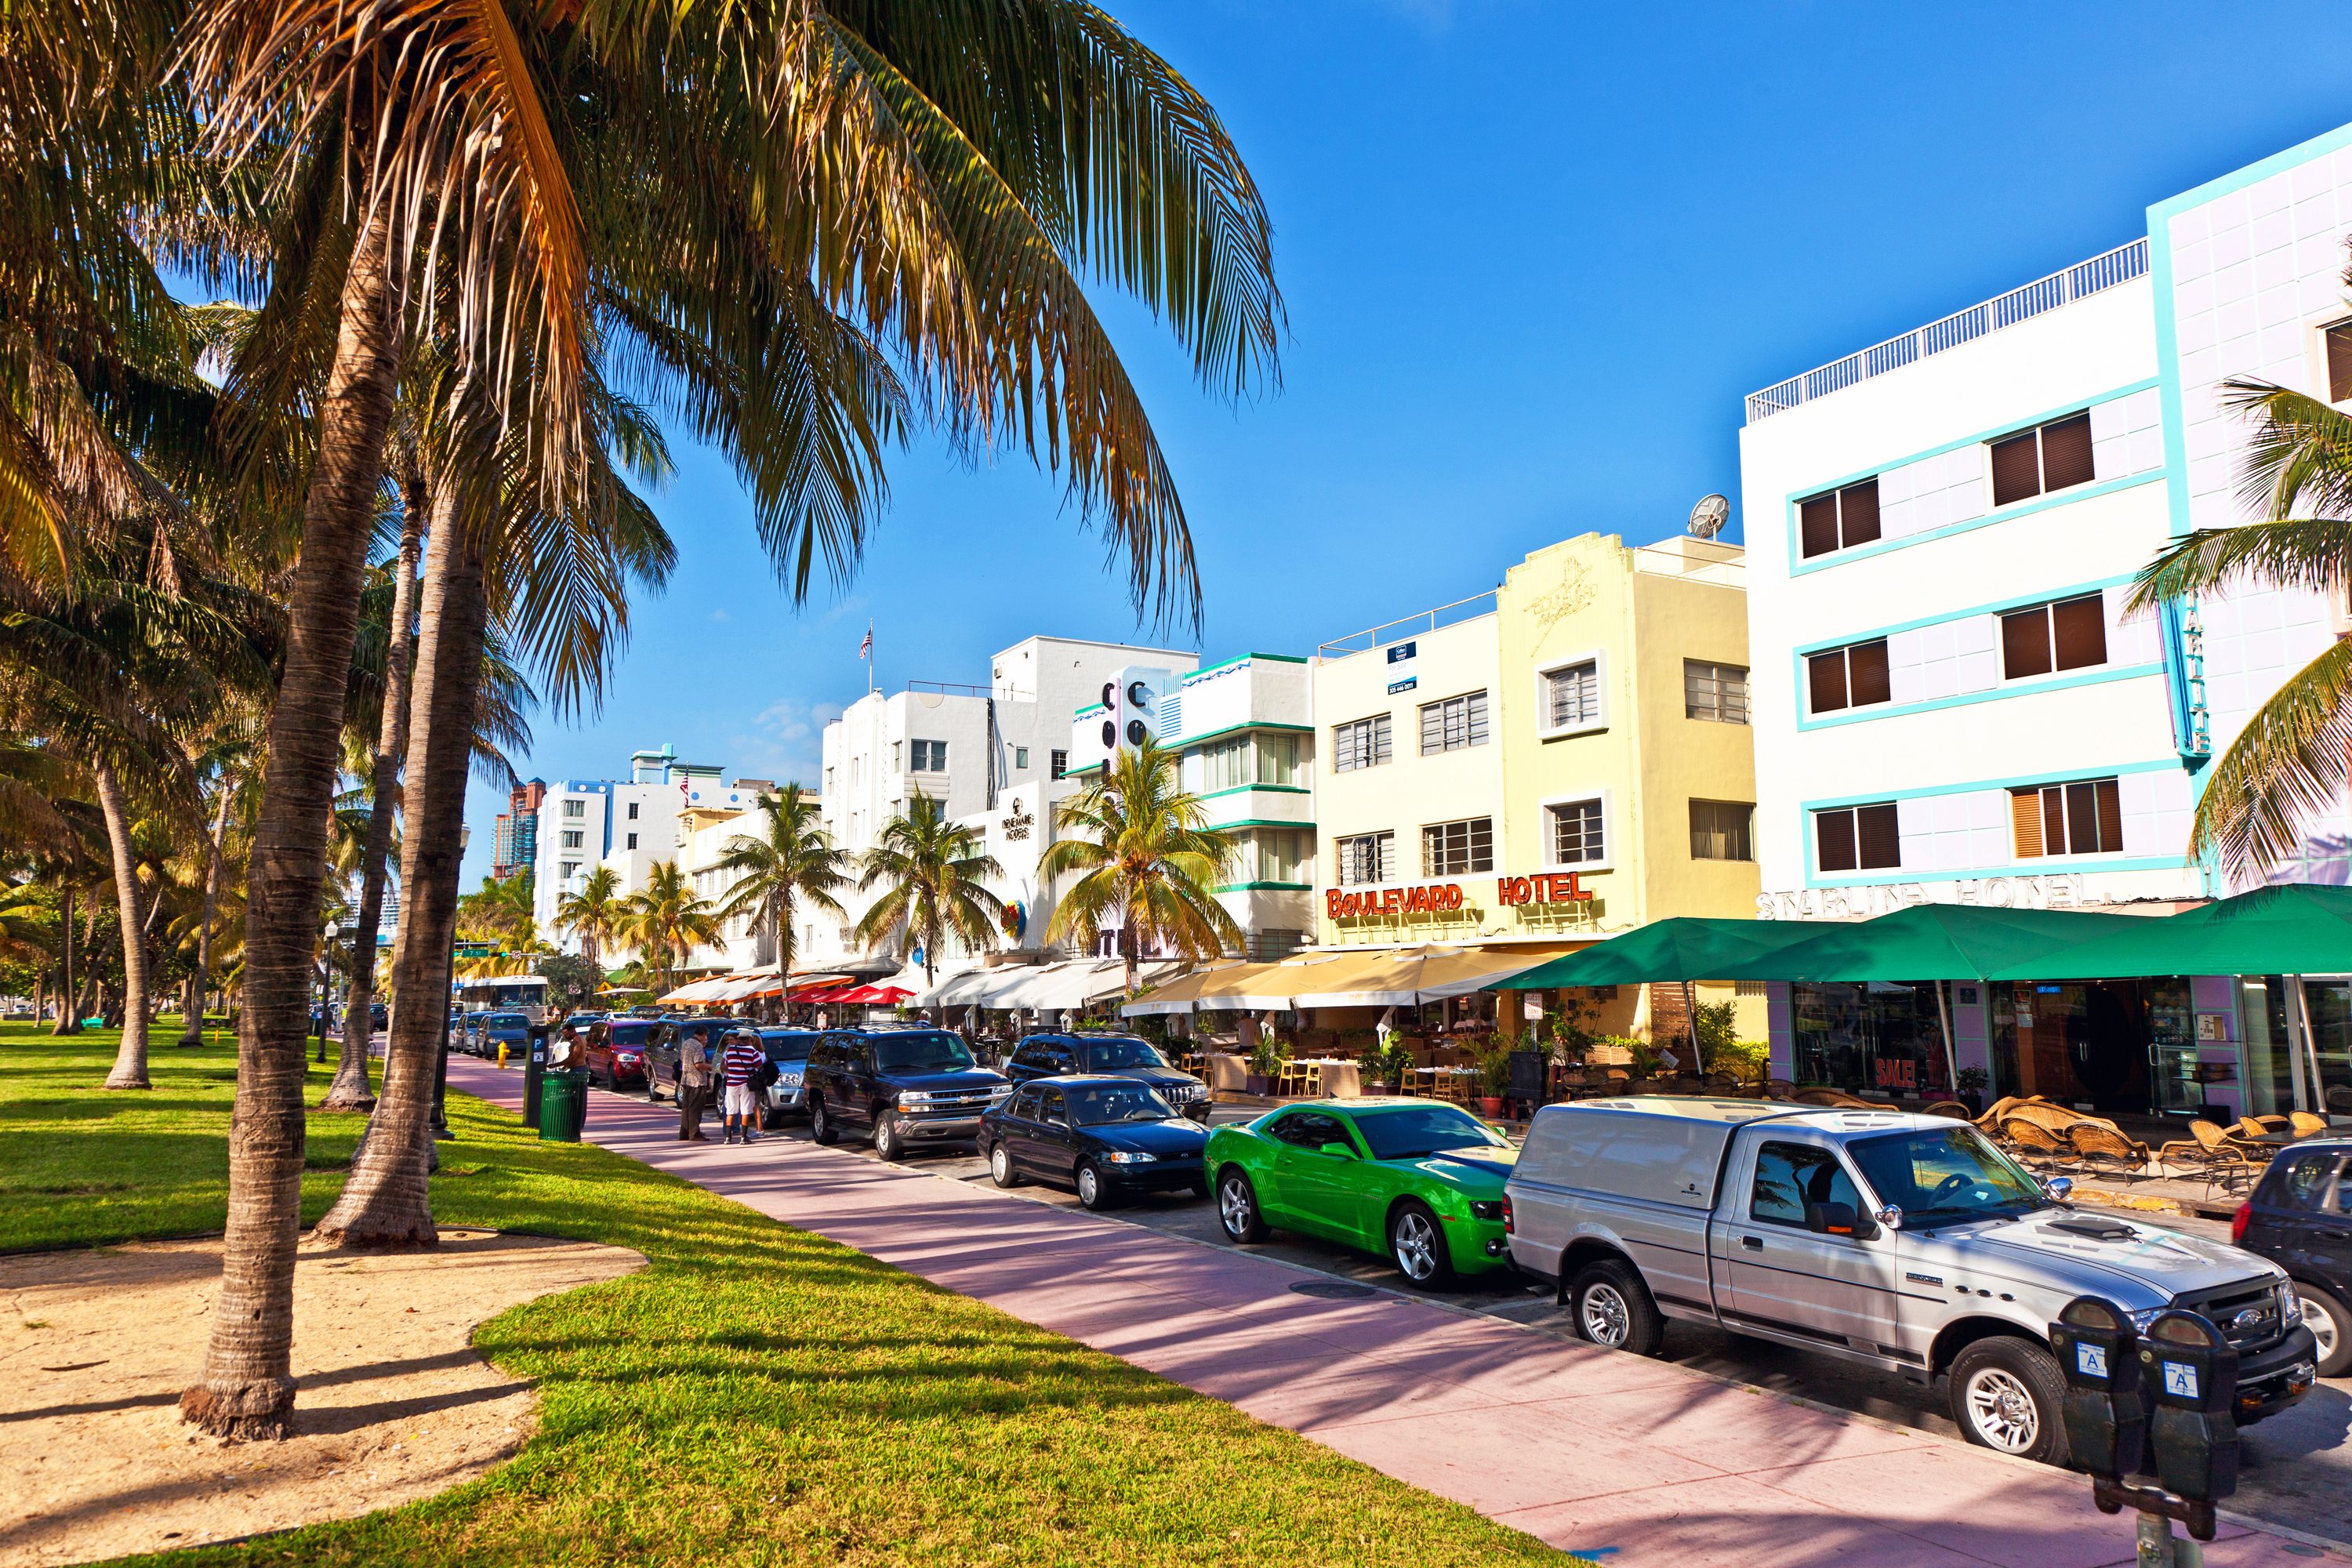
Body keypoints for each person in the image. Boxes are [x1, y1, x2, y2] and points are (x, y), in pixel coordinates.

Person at [720, 1028, 766, 1145]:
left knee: (730, 1111)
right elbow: (759, 1066)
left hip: (731, 1084)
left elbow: (727, 1065)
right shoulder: (752, 1051)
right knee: (745, 1111)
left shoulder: (730, 1050)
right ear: (749, 1039)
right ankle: (743, 1138)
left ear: (739, 1039)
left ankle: (727, 1138)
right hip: (746, 1084)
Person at [677, 1026, 713, 1142]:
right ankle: (694, 1133)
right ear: (703, 1034)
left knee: (686, 1108)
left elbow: (684, 1060)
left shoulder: (686, 1043)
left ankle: (684, 1132)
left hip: (686, 1079)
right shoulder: (698, 1045)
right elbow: (698, 1064)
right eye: (705, 1036)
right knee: (695, 1108)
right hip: (697, 1081)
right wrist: (708, 1066)